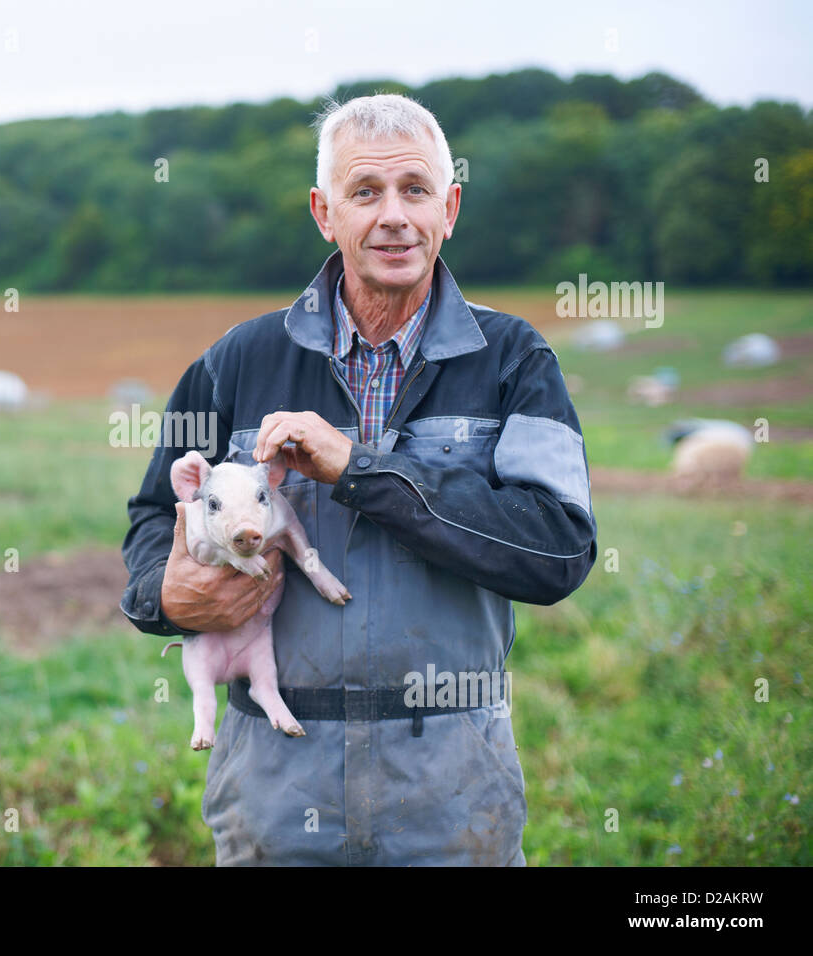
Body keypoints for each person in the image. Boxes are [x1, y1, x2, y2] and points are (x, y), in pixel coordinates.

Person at [120, 93, 597, 865]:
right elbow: (151, 517)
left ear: (451, 207)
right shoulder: (237, 361)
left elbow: (557, 551)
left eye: (416, 190)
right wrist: (164, 597)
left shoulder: (514, 359)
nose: (394, 217)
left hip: (450, 777)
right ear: (323, 211)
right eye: (365, 192)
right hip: (275, 780)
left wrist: (362, 469)